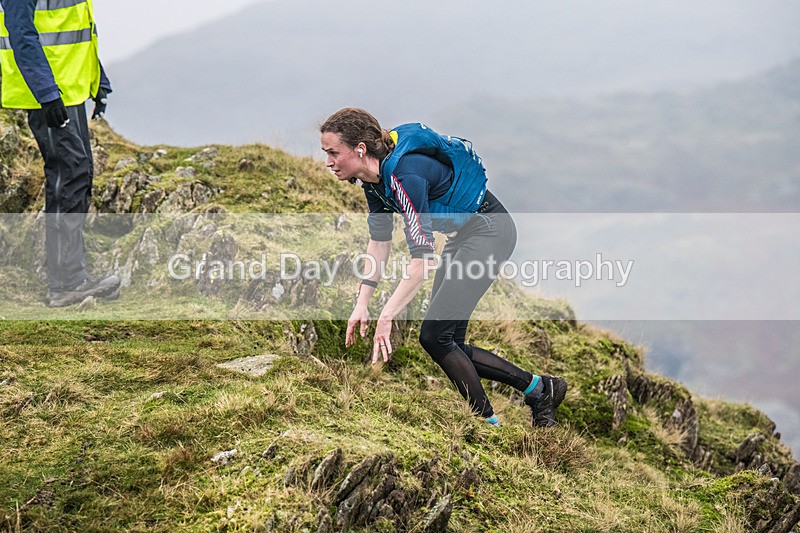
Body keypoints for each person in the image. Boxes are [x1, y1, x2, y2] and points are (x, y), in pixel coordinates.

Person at [320, 108, 567, 427]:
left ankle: (487, 425)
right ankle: (540, 389)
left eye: (332, 152)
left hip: (490, 230)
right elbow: (379, 242)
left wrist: (387, 314)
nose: (328, 162)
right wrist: (362, 303)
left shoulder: (404, 176)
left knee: (435, 336)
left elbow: (421, 262)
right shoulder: (374, 182)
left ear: (360, 150)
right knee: (449, 340)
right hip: (467, 234)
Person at [0, 0, 120, 307]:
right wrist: (47, 93)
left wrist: (98, 79)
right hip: (46, 94)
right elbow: (21, 32)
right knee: (67, 173)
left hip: (69, 89)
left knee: (80, 173)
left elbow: (79, 29)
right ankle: (65, 283)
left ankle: (75, 277)